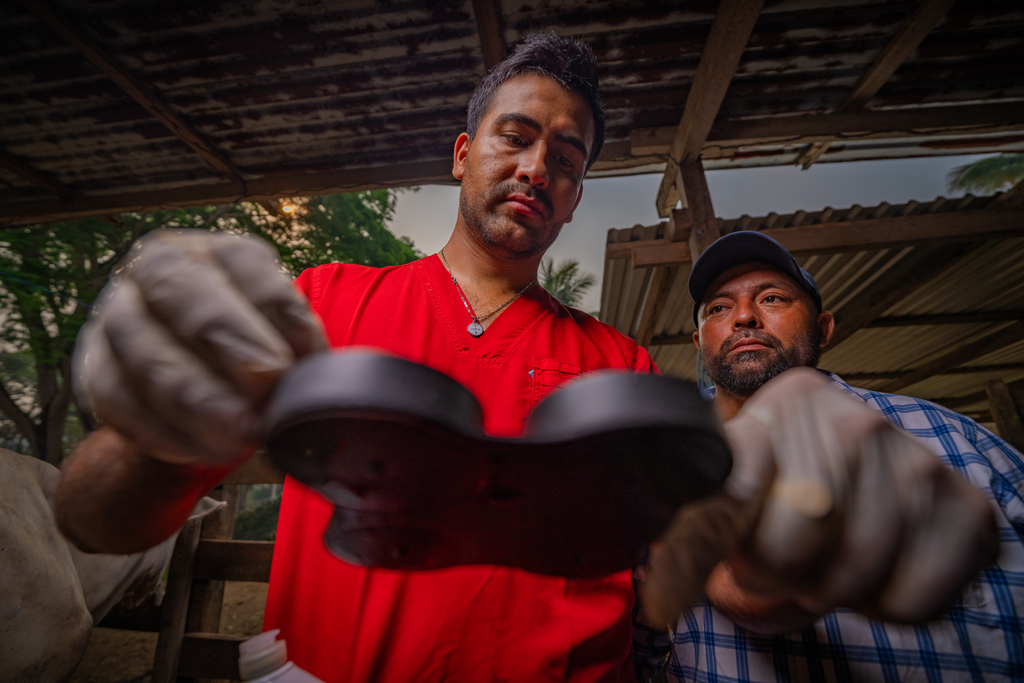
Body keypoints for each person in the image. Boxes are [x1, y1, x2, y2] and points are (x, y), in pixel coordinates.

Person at [56, 35, 996, 683]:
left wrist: (807, 554)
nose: (539, 166)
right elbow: (91, 521)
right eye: (517, 135)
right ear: (465, 153)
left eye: (569, 157)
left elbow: (707, 569)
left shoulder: (621, 364)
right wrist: (156, 435)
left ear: (577, 195)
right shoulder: (323, 303)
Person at [655, 229, 1024, 681]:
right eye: (719, 308)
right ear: (700, 342)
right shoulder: (664, 466)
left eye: (772, 299)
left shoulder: (951, 437)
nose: (745, 317)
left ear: (823, 328)